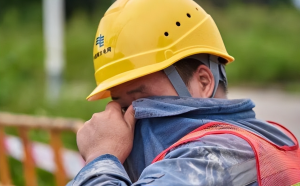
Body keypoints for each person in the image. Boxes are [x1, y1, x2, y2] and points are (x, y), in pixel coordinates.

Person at [68, 0, 300, 185]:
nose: (129, 118)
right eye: (122, 107)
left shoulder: (220, 155)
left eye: (141, 100)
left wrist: (100, 159)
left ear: (203, 82)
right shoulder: (261, 137)